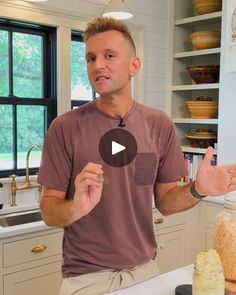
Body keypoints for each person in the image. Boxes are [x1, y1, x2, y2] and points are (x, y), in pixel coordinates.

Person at [38, 17, 236, 295]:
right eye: (91, 58)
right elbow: (49, 209)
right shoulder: (65, 127)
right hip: (86, 279)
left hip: (145, 272)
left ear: (134, 66)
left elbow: (165, 201)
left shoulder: (158, 124)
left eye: (109, 56)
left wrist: (199, 189)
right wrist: (77, 207)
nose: (98, 65)